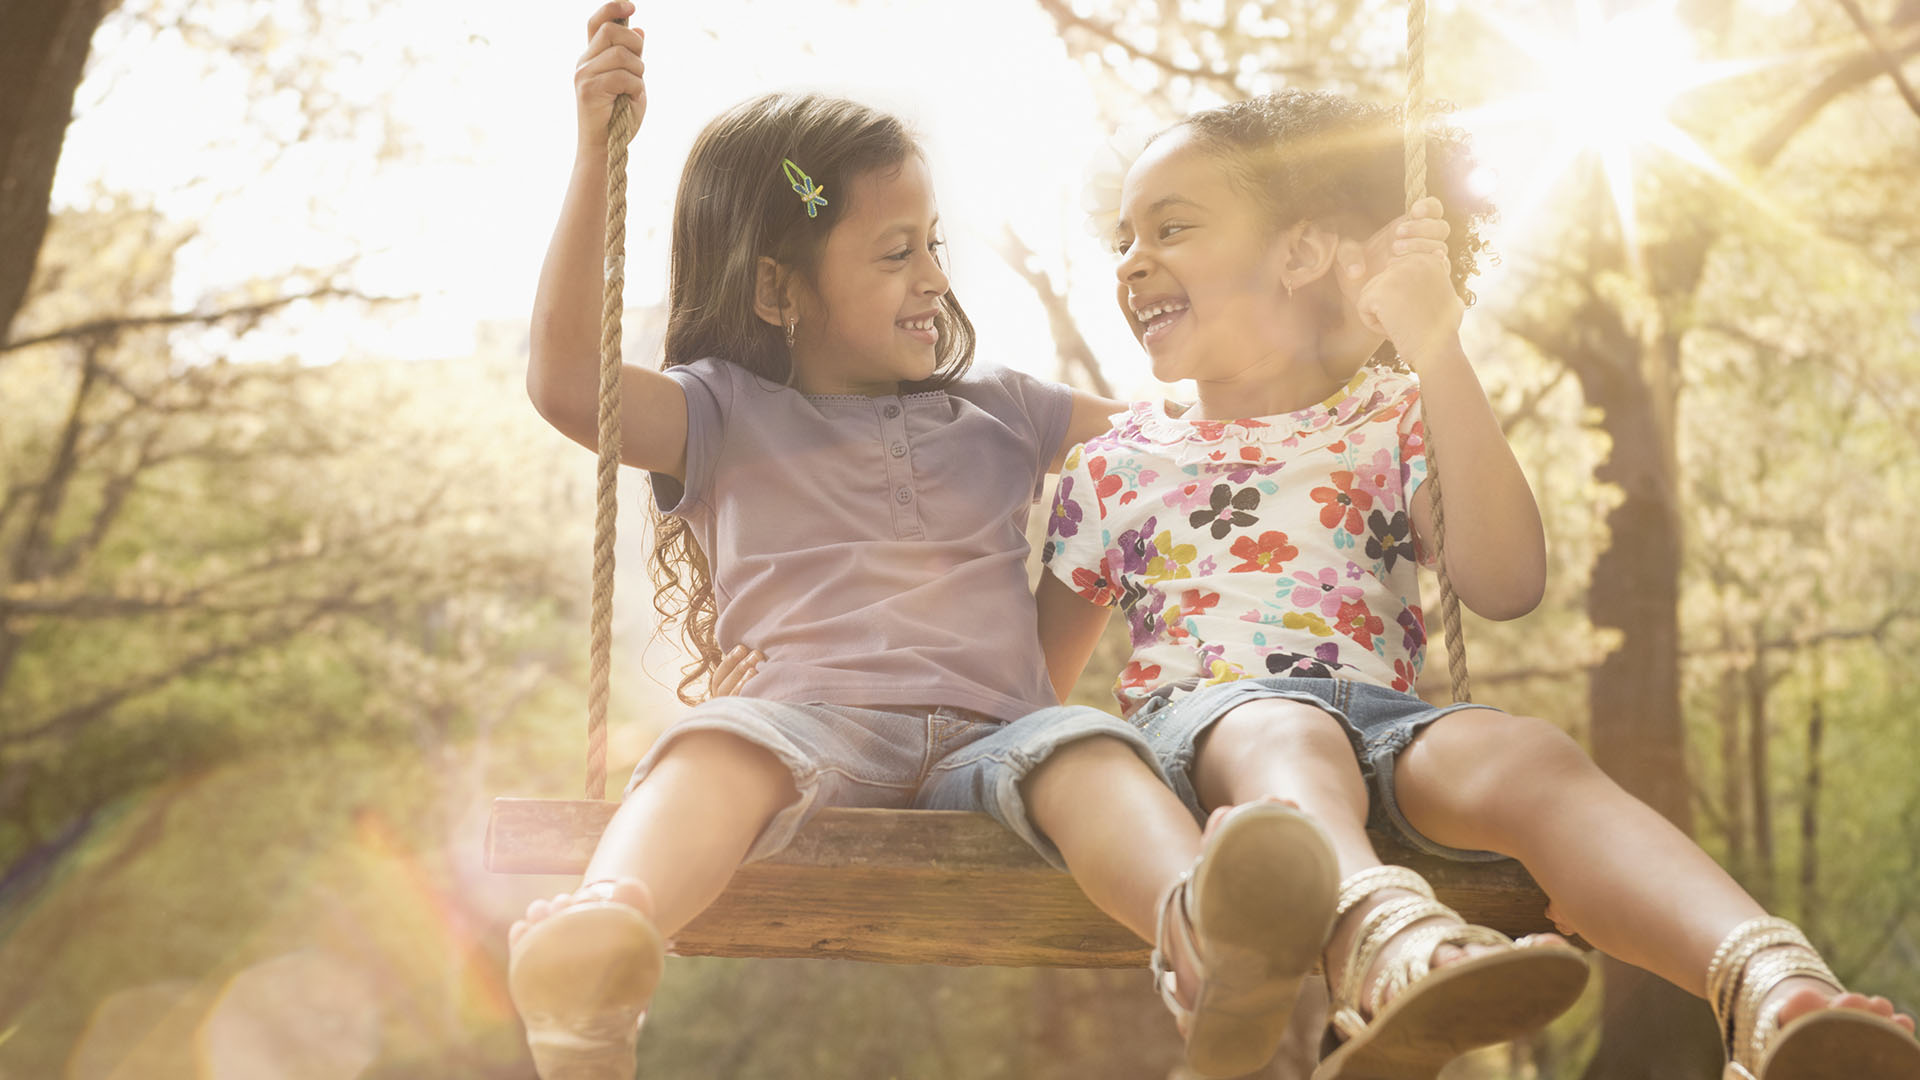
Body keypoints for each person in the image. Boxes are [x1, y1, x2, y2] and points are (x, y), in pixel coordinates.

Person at [505, 9, 1347, 1078]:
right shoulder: (723, 411)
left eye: (933, 246)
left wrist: (1317, 335)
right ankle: (601, 949)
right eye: (896, 253)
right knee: (712, 751)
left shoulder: (1008, 409)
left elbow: (1190, 445)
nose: (934, 279)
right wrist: (594, 148)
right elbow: (567, 384)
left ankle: (1206, 945)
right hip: (807, 717)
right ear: (778, 289)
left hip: (1000, 732)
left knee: (1096, 758)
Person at [1036, 88, 1920, 1080]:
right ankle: (1395, 948)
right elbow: (1030, 701)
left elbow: (1504, 581)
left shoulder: (1390, 416)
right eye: (1125, 238)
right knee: (1285, 731)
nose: (1133, 259)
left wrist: (1438, 347)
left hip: (1383, 726)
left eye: (1173, 227)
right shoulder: (1116, 462)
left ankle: (1773, 988)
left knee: (1526, 754)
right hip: (1211, 742)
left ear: (1299, 253)